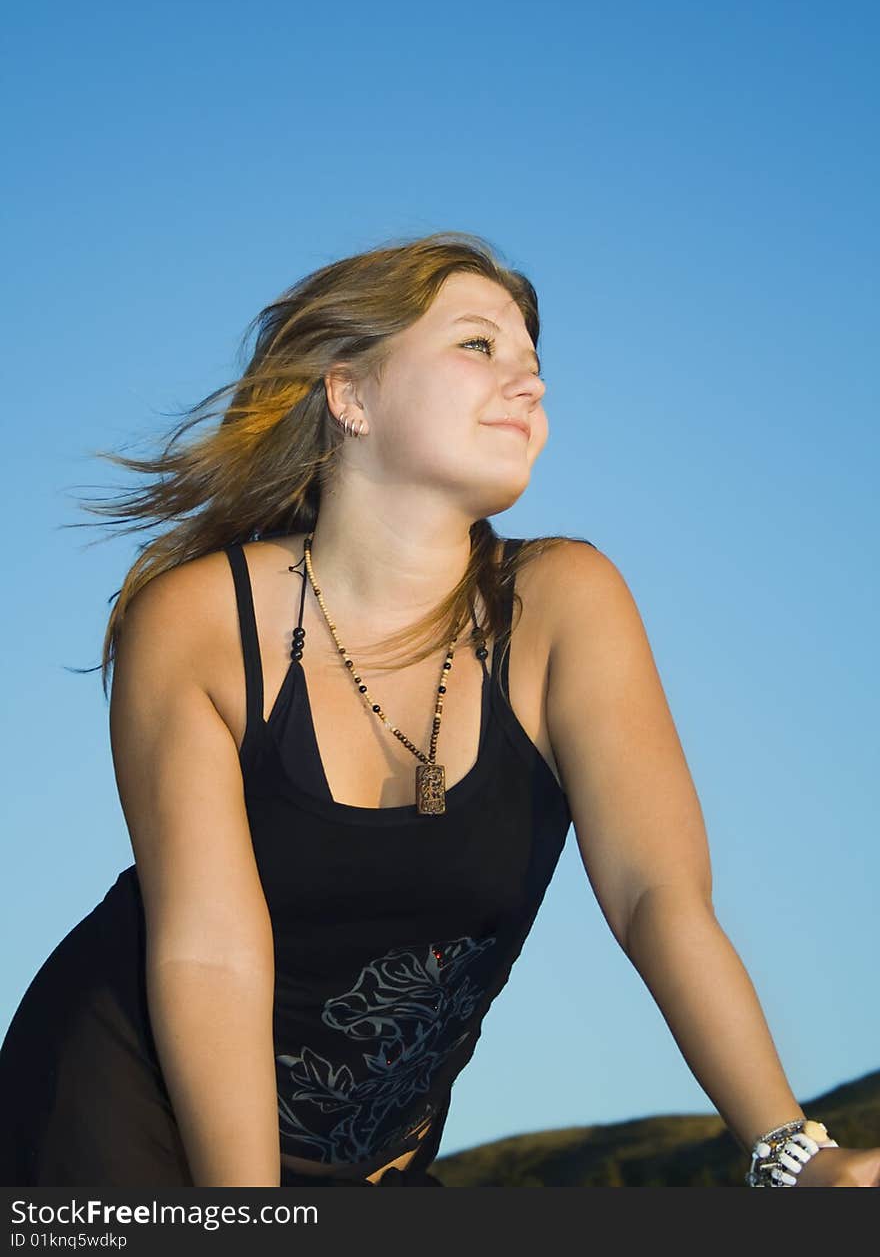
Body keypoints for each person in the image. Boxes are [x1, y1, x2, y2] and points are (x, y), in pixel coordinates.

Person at [0, 231, 877, 1188]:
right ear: (352, 395)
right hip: (121, 1116)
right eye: (478, 346)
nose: (529, 384)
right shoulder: (202, 624)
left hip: (379, 1163)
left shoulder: (565, 605)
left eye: (534, 364)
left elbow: (655, 898)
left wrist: (795, 1157)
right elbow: (210, 950)